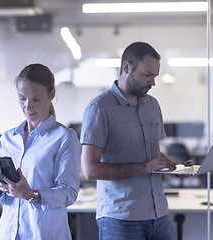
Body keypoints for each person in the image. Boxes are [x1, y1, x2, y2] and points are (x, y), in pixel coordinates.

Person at [80, 42, 178, 240]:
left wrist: (175, 166)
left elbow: (152, 153)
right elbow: (90, 170)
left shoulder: (152, 105)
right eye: (147, 75)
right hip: (121, 218)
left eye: (155, 76)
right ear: (126, 68)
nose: (153, 82)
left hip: (159, 215)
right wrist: (145, 167)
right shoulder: (99, 108)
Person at [0, 63, 81, 240]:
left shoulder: (64, 137)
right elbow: (2, 196)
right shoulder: (8, 138)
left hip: (43, 233)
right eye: (22, 98)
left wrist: (32, 195)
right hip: (8, 232)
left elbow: (69, 193)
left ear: (51, 94)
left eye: (36, 99)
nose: (28, 106)